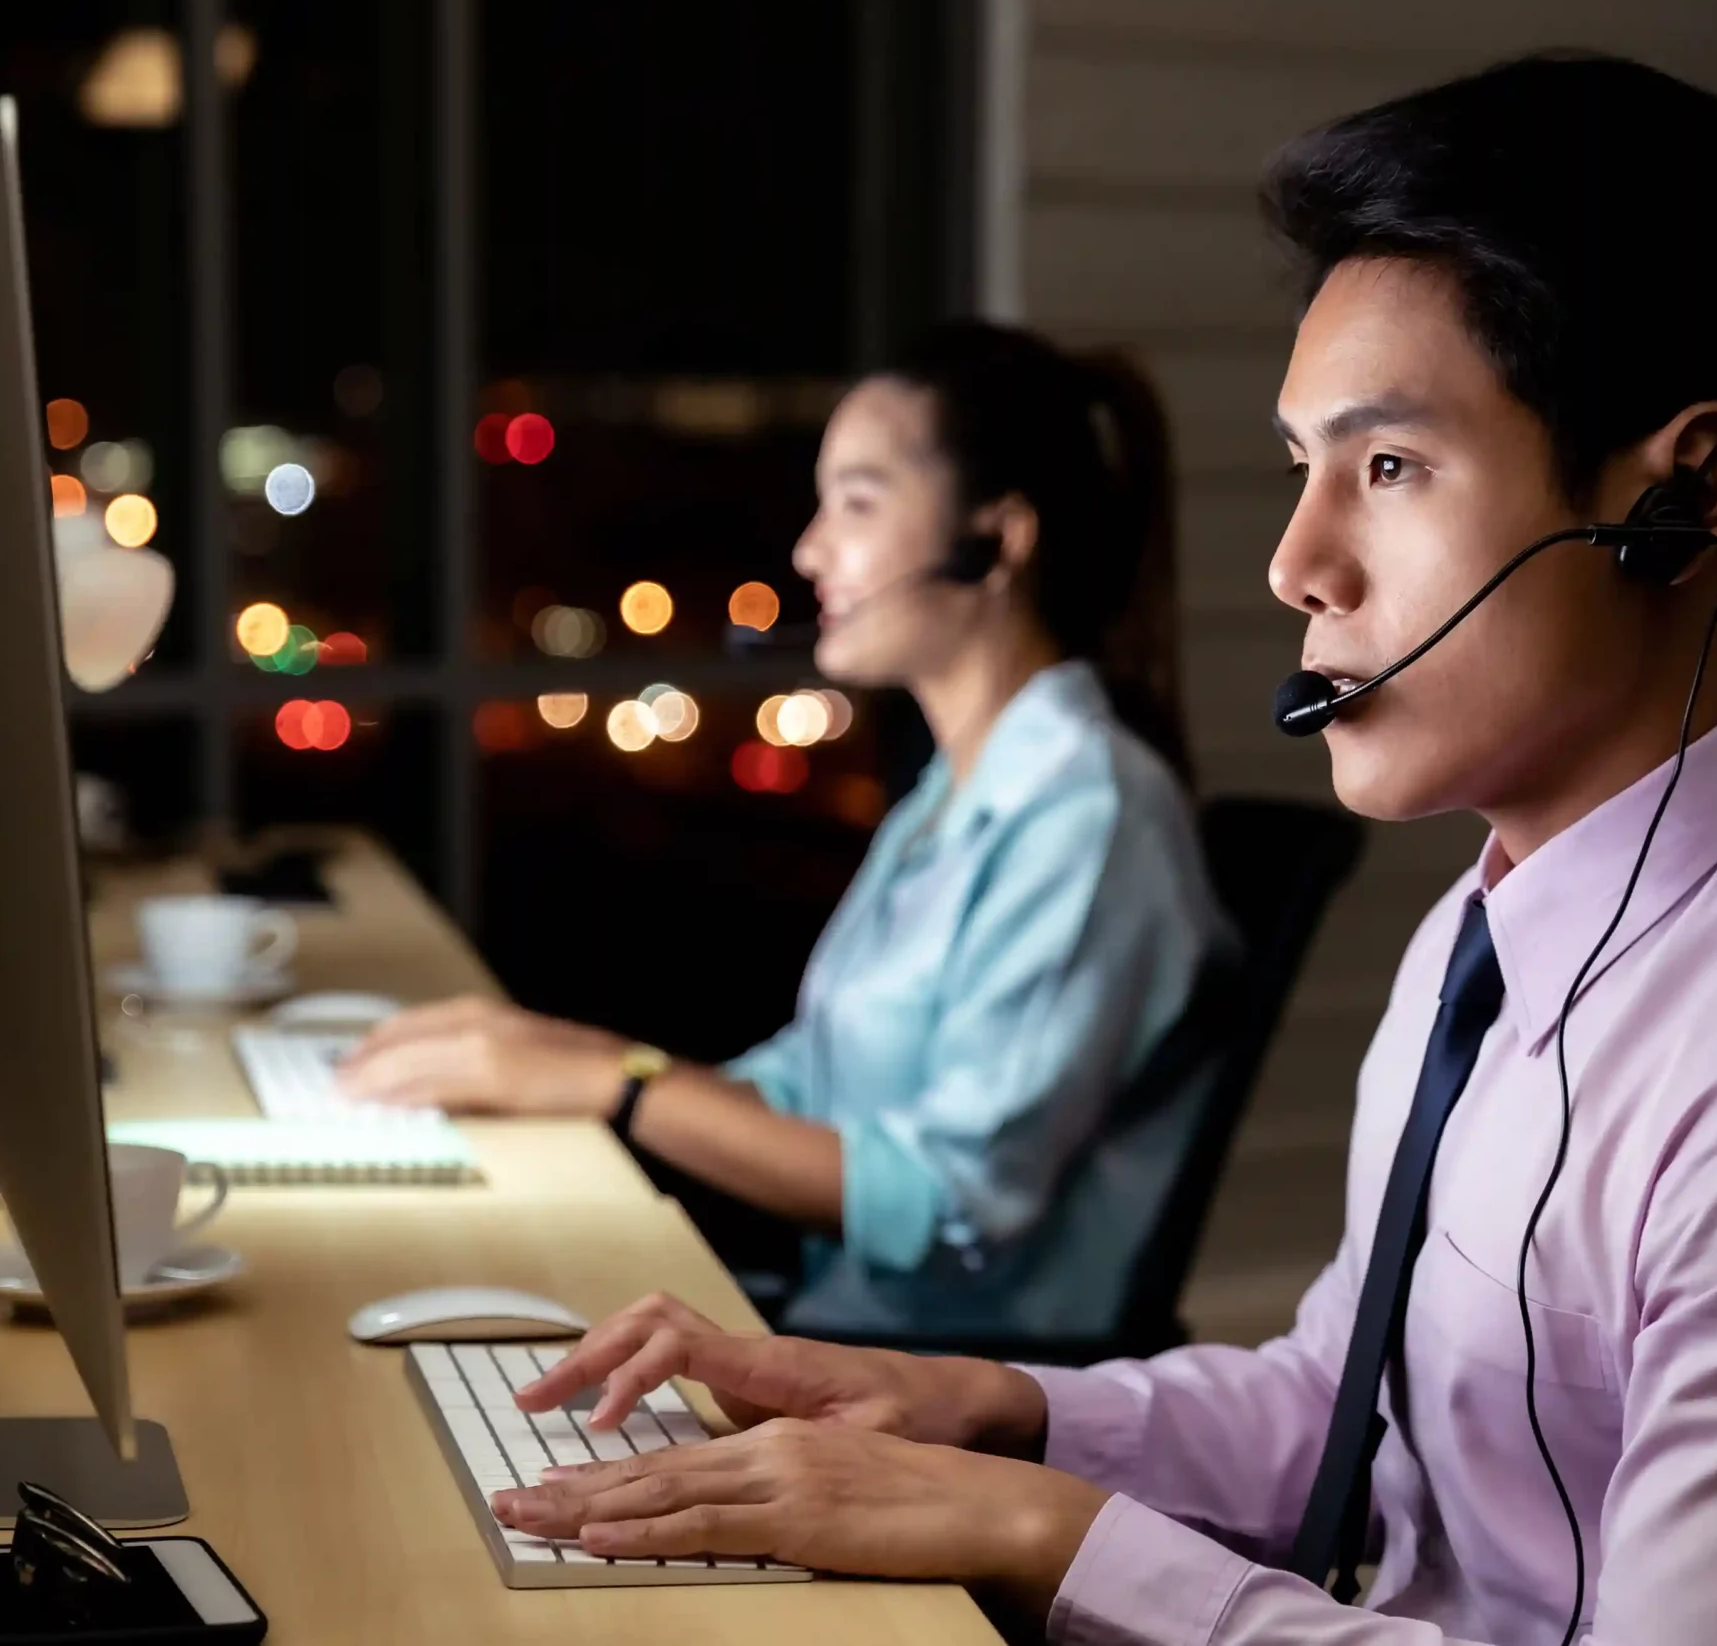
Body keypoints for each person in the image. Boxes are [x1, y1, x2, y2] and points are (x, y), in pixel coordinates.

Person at [475, 55, 1717, 1646]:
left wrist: (1043, 1535)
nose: (1293, 563)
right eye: (1300, 467)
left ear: (1682, 501)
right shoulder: (1493, 935)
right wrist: (969, 1408)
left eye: (1388, 466)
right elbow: (1345, 1409)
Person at [342, 321, 1232, 1340]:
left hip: (940, 1386)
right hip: (836, 1332)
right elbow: (806, 1081)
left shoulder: (1086, 813)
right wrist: (559, 1056)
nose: (810, 548)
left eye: (856, 501)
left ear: (997, 538)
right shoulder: (953, 791)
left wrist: (612, 1083)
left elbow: (946, 1201)